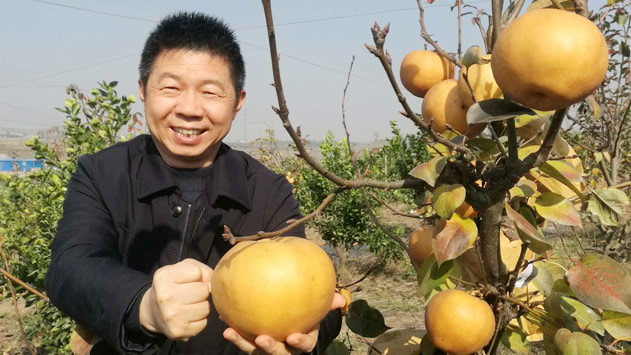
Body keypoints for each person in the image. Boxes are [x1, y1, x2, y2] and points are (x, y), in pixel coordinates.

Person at [45, 12, 344, 355]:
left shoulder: (267, 191)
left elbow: (308, 288)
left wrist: (314, 331)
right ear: (143, 91)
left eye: (210, 92)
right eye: (171, 87)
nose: (189, 108)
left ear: (237, 104)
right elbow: (70, 269)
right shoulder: (102, 173)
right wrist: (144, 306)